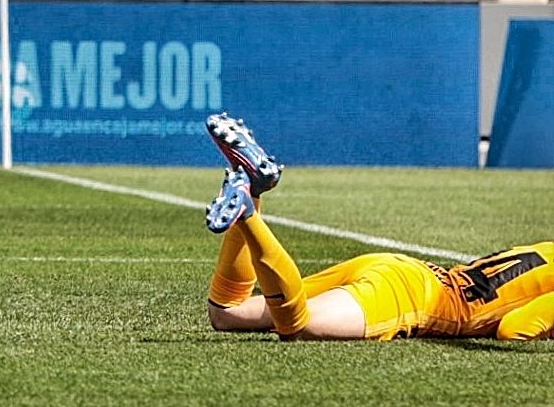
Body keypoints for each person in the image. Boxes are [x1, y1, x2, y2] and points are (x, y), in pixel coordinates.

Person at [202, 113, 553, 342]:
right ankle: (247, 212)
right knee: (297, 325)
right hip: (417, 298)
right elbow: (514, 330)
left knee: (226, 314)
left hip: (402, 270)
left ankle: (254, 188)